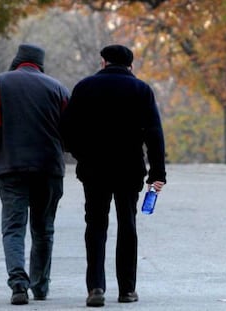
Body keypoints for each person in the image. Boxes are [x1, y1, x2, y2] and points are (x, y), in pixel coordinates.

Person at [59, 44, 166, 307]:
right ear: (131, 65)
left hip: (94, 168)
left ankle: (96, 287)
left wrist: (82, 153)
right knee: (127, 225)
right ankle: (127, 290)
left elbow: (66, 130)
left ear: (104, 62)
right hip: (129, 168)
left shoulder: (85, 87)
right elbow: (154, 134)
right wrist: (157, 173)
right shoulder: (141, 90)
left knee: (95, 225)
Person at [0, 44, 70, 305]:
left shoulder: (1, 83)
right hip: (49, 168)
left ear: (17, 61)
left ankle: (19, 284)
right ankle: (40, 286)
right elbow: (70, 131)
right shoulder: (58, 88)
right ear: (40, 64)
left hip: (11, 167)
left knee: (14, 227)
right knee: (43, 229)